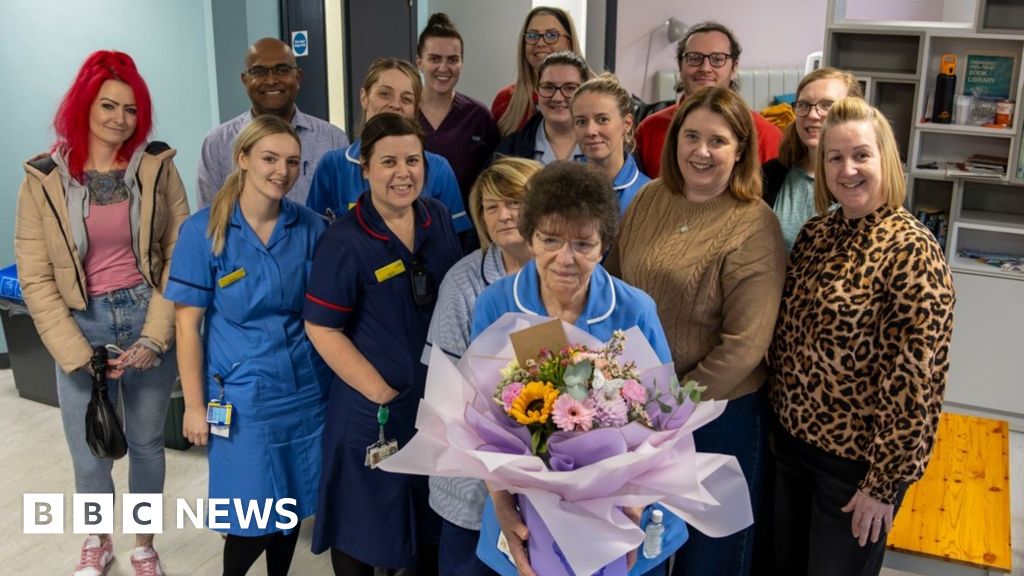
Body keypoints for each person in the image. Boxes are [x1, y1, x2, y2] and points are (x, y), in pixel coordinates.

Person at [14, 50, 188, 576]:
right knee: (91, 452)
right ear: (84, 106)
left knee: (147, 444)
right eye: (108, 105)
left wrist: (156, 337)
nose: (119, 118)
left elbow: (180, 256)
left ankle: (144, 545)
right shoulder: (43, 179)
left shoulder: (157, 167)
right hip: (81, 323)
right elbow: (36, 276)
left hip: (146, 316)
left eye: (131, 109)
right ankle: (97, 540)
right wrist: (75, 352)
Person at [768, 97, 955, 576]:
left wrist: (883, 484)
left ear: (884, 159)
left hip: (855, 468)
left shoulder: (913, 251)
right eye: (835, 157)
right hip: (791, 447)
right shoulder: (816, 234)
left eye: (861, 155)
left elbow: (917, 384)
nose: (847, 169)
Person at [606, 87, 786, 576]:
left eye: (718, 141)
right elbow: (613, 290)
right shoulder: (647, 199)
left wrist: (672, 406)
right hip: (637, 408)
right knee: (641, 547)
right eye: (691, 136)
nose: (701, 152)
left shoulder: (753, 225)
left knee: (710, 559)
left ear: (741, 150)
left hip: (718, 416)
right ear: (674, 140)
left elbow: (745, 345)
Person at [471, 160, 671, 575]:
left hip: (620, 511)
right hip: (526, 513)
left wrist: (632, 507)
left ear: (604, 246)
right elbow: (477, 418)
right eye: (549, 240)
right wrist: (502, 505)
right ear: (529, 237)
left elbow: (663, 420)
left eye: (583, 244)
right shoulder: (498, 303)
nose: (565, 259)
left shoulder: (634, 309)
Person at [166, 115, 328, 576]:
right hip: (240, 396)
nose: (282, 170)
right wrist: (194, 407)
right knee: (249, 515)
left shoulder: (310, 227)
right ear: (243, 159)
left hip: (303, 389)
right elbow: (186, 329)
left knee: (291, 504)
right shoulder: (203, 234)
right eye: (270, 158)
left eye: (293, 161)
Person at [304, 113, 462, 576]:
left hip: (433, 408)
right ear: (365, 169)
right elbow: (322, 327)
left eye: (413, 160)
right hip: (373, 409)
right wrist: (379, 391)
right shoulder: (345, 240)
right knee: (363, 526)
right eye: (388, 161)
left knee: (426, 524)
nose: (403, 172)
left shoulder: (435, 217)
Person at [423, 156, 541, 575]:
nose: (504, 214)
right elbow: (444, 388)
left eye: (514, 201)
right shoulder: (464, 281)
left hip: (546, 481)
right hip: (472, 482)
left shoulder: (565, 274)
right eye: (491, 207)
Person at [307, 57, 470, 236]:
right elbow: (315, 238)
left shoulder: (438, 169)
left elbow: (457, 243)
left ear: (415, 109)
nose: (395, 105)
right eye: (385, 94)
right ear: (364, 97)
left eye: (406, 99)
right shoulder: (332, 165)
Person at [196, 37, 348, 208]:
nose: (271, 80)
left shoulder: (333, 140)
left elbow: (345, 211)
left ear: (298, 77)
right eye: (259, 72)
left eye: (282, 70)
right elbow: (209, 218)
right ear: (244, 80)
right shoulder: (217, 143)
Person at [634, 21, 782, 177]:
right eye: (694, 58)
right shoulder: (649, 130)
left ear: (734, 68)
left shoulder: (767, 136)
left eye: (717, 59)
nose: (705, 68)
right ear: (680, 65)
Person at [763, 67, 862, 251]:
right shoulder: (771, 174)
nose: (812, 115)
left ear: (854, 112)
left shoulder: (866, 179)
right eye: (804, 105)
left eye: (827, 105)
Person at [416, 13, 501, 216]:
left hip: (467, 235)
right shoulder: (404, 113)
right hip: (409, 230)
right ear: (419, 63)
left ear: (461, 63)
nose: (444, 68)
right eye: (435, 59)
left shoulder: (479, 117)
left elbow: (494, 181)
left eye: (453, 60)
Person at [492, 6, 584, 137]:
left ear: (569, 42)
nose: (540, 43)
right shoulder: (506, 100)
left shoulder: (597, 96)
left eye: (551, 35)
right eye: (532, 35)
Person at [494, 51, 592, 164]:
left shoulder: (607, 146)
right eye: (548, 87)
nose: (557, 98)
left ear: (585, 92)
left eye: (570, 88)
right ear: (537, 90)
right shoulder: (510, 150)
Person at [571, 73, 649, 215]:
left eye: (602, 119)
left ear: (626, 124)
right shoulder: (560, 189)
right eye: (581, 122)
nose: (590, 131)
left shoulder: (650, 195)